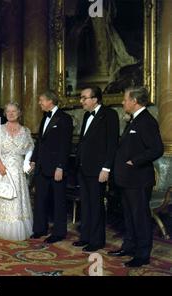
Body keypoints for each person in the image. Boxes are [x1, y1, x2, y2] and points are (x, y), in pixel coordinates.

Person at [108, 86, 163, 267]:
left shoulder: (147, 121)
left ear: (135, 101)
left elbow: (156, 149)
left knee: (139, 217)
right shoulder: (133, 120)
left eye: (125, 99)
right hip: (127, 179)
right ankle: (129, 246)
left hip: (138, 179)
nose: (123, 102)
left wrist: (135, 161)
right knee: (129, 216)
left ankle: (142, 254)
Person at [72, 86, 119, 252]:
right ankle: (85, 237)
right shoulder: (86, 115)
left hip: (98, 170)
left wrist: (106, 168)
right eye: (81, 97)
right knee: (85, 204)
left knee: (96, 205)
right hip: (83, 168)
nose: (81, 101)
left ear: (95, 99)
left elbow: (112, 144)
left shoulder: (110, 115)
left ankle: (97, 240)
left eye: (84, 98)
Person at [0, 102, 34, 241]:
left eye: (14, 111)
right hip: (2, 167)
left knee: (15, 198)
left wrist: (27, 163)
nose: (10, 114)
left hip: (17, 169)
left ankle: (15, 227)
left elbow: (30, 149)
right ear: (5, 113)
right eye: (8, 111)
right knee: (0, 194)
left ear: (19, 113)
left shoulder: (25, 131)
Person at [30, 90, 73, 244]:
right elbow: (40, 142)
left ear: (50, 101)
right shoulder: (44, 118)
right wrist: (34, 160)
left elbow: (65, 146)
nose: (39, 103)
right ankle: (39, 229)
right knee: (40, 199)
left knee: (58, 201)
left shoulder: (64, 118)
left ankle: (59, 232)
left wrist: (60, 167)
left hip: (56, 168)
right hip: (42, 166)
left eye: (41, 100)